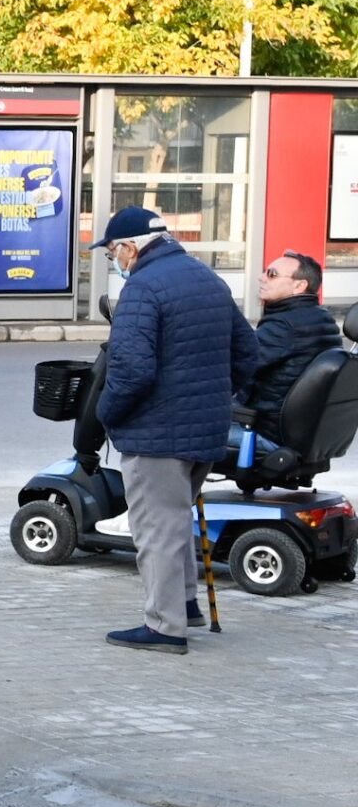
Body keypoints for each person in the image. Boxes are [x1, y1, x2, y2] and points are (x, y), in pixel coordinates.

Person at [92, 207, 259, 653]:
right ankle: (184, 604)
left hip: (156, 433)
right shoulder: (207, 279)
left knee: (155, 529)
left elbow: (132, 370)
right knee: (174, 519)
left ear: (130, 247)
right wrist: (211, 397)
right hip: (204, 429)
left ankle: (165, 627)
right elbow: (247, 352)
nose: (114, 260)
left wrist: (106, 414)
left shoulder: (143, 288)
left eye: (112, 252)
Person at [243, 250, 338, 443]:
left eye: (272, 274)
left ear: (299, 286)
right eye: (265, 271)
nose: (262, 278)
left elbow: (236, 363)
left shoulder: (285, 325)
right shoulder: (321, 318)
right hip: (301, 434)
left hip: (266, 432)